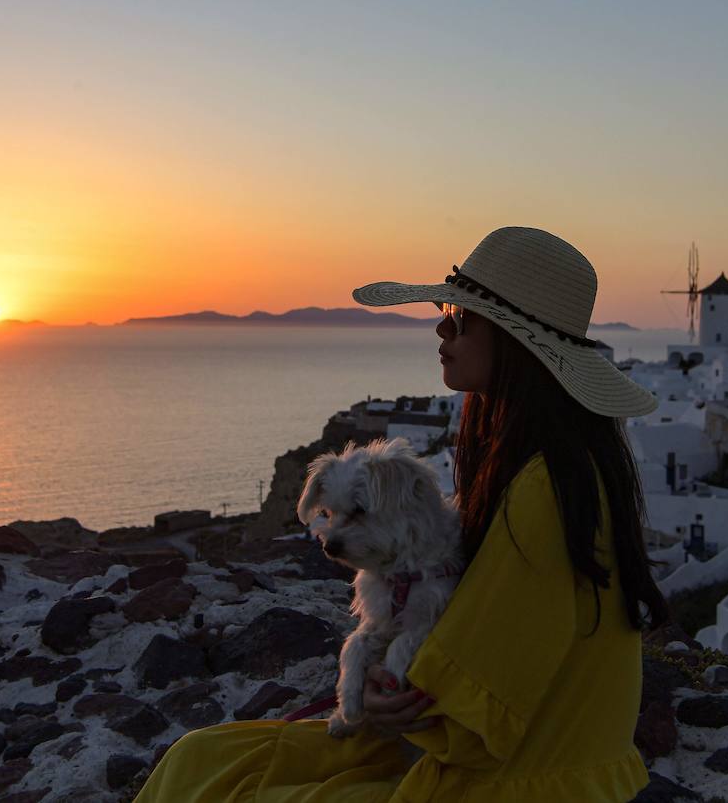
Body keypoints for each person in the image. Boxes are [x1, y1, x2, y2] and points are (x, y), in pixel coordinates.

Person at [134, 226, 668, 803]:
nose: (441, 328)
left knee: (214, 786)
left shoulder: (547, 489)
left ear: (519, 345)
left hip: (516, 778)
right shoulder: (544, 465)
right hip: (510, 757)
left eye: (462, 318)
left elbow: (475, 705)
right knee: (199, 758)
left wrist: (395, 702)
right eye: (447, 309)